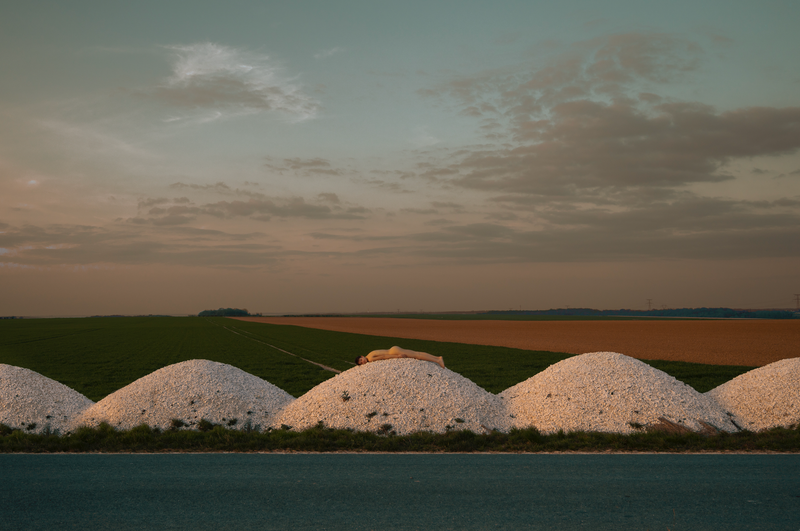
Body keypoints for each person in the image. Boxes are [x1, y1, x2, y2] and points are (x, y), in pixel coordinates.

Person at [355, 345, 445, 369]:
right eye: (361, 363)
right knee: (417, 353)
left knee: (418, 356)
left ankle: (438, 360)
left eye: (361, 360)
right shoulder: (369, 354)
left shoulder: (370, 359)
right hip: (393, 349)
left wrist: (398, 356)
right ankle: (437, 358)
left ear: (362, 356)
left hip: (394, 352)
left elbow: (384, 356)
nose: (363, 362)